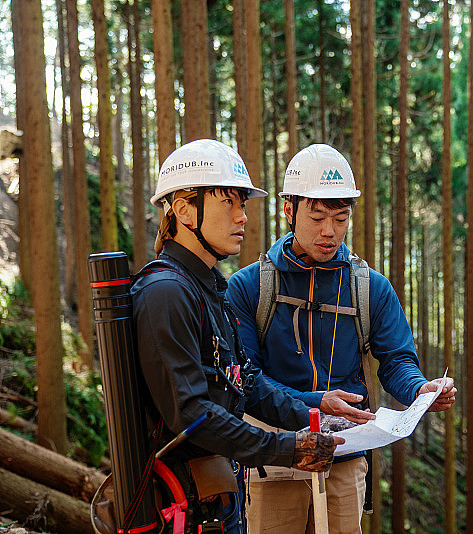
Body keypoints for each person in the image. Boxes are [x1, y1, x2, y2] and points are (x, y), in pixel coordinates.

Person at [227, 143, 457, 533]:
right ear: (289, 210)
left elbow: (397, 360)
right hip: (274, 458)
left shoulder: (370, 289)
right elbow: (246, 382)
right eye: (317, 217)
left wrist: (420, 390)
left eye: (340, 217)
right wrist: (318, 403)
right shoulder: (249, 288)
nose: (329, 231)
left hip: (345, 459)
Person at [132, 139, 343, 534]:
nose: (242, 217)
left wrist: (318, 421)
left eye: (243, 204)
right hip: (183, 509)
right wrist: (287, 449)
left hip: (216, 501)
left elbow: (245, 384)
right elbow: (192, 416)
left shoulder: (209, 288)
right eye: (228, 202)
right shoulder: (165, 293)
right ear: (183, 209)